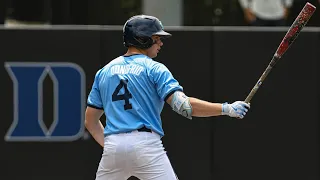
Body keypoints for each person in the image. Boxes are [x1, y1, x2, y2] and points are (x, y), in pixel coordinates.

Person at [85, 15, 250, 180]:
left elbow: (90, 121)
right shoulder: (154, 68)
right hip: (145, 145)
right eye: (156, 39)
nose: (161, 43)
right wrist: (226, 108)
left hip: (113, 146)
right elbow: (184, 107)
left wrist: (114, 147)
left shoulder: (104, 72)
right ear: (142, 39)